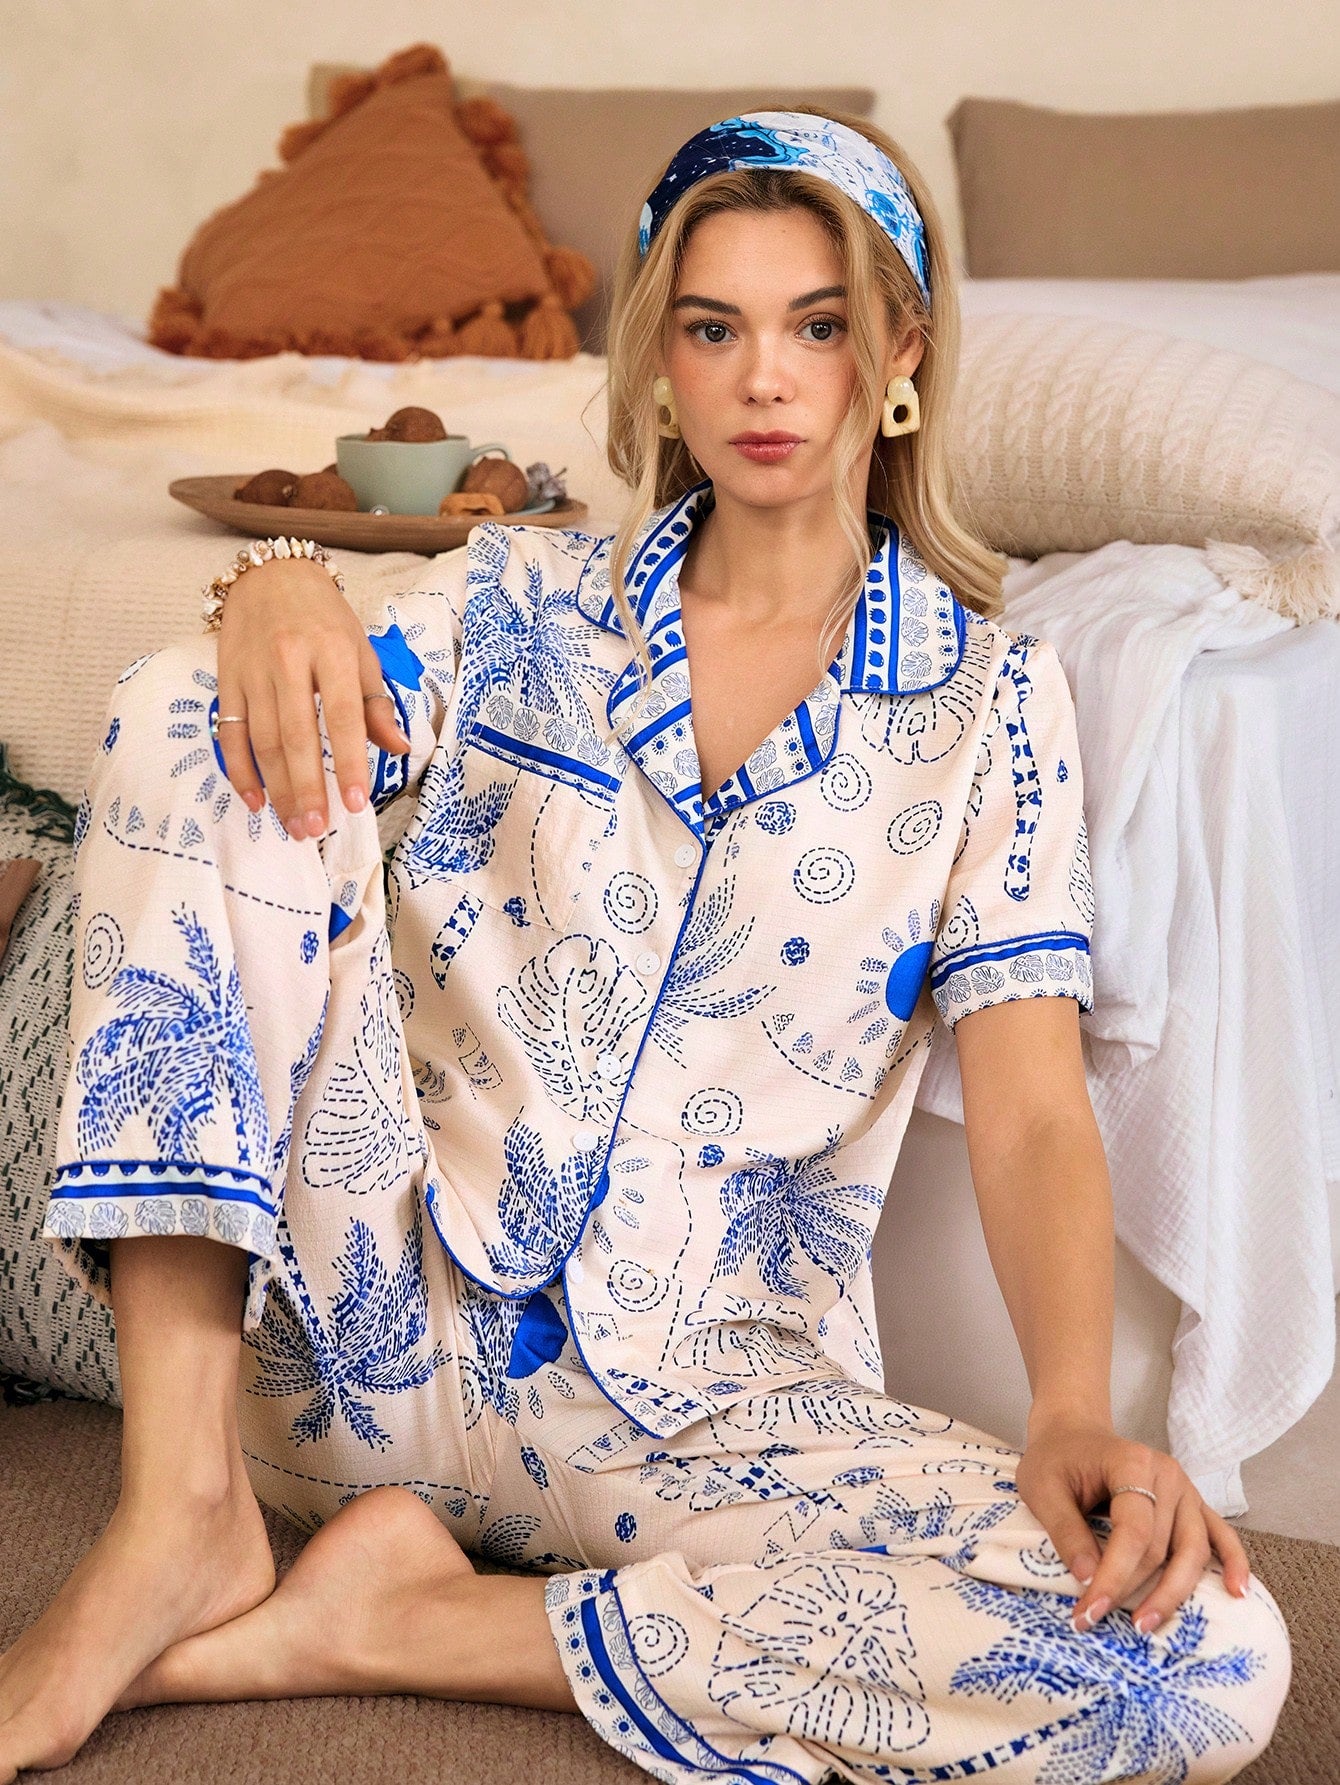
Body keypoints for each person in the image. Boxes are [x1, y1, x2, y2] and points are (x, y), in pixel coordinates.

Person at [2, 108, 1290, 1784]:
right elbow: (282, 723)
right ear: (663, 365)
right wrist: (274, 583)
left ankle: (394, 1624)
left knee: (1208, 1653)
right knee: (194, 704)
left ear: (899, 351)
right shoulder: (515, 599)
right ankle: (179, 1506)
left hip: (702, 1406)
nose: (766, 378)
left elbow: (1035, 1105)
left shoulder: (991, 705)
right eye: (713, 326)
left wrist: (1065, 1409)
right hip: (366, 1337)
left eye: (816, 325)